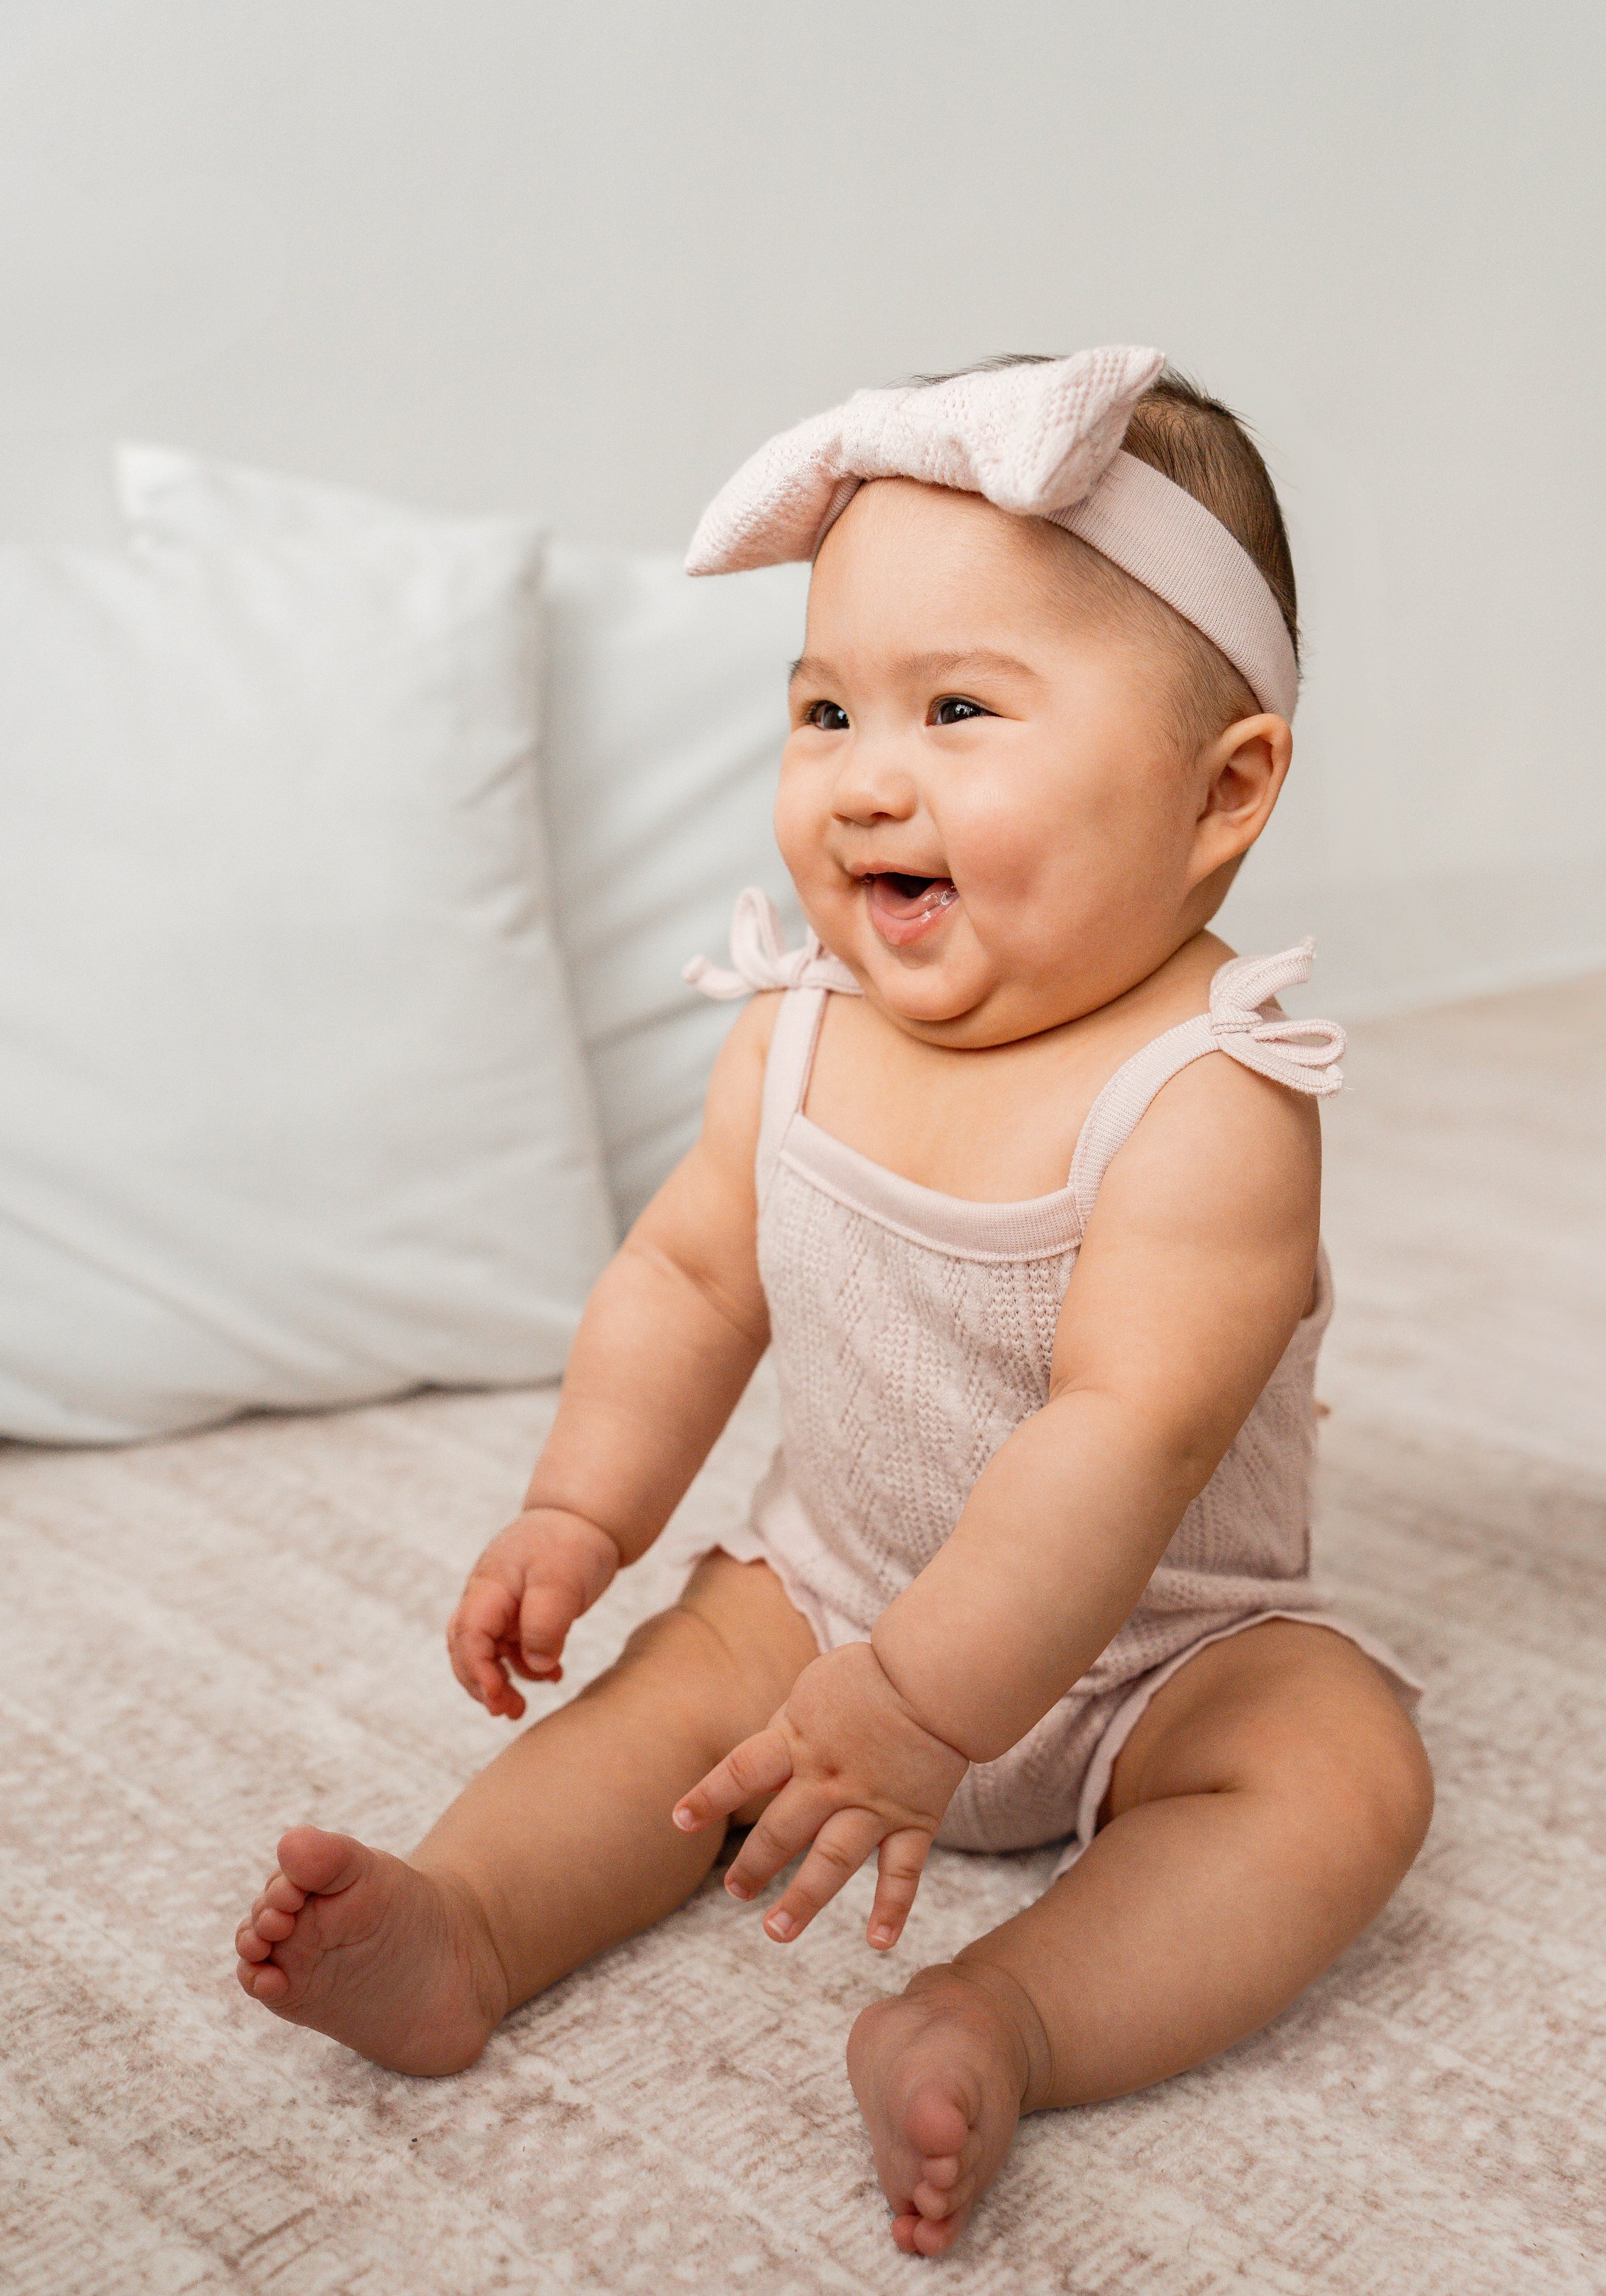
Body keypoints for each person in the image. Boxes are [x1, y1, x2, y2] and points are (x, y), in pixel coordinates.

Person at [233, 347, 1432, 2258]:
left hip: (1151, 1658)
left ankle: (1007, 2012)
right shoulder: (796, 1032)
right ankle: (462, 1924)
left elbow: (1122, 1432)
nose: (868, 775)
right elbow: (691, 1275)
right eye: (824, 706)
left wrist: (924, 1702)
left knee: (1340, 1764)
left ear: (1221, 794)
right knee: (669, 1695)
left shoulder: (1209, 1097)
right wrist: (581, 1508)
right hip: (831, 1593)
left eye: (959, 707)